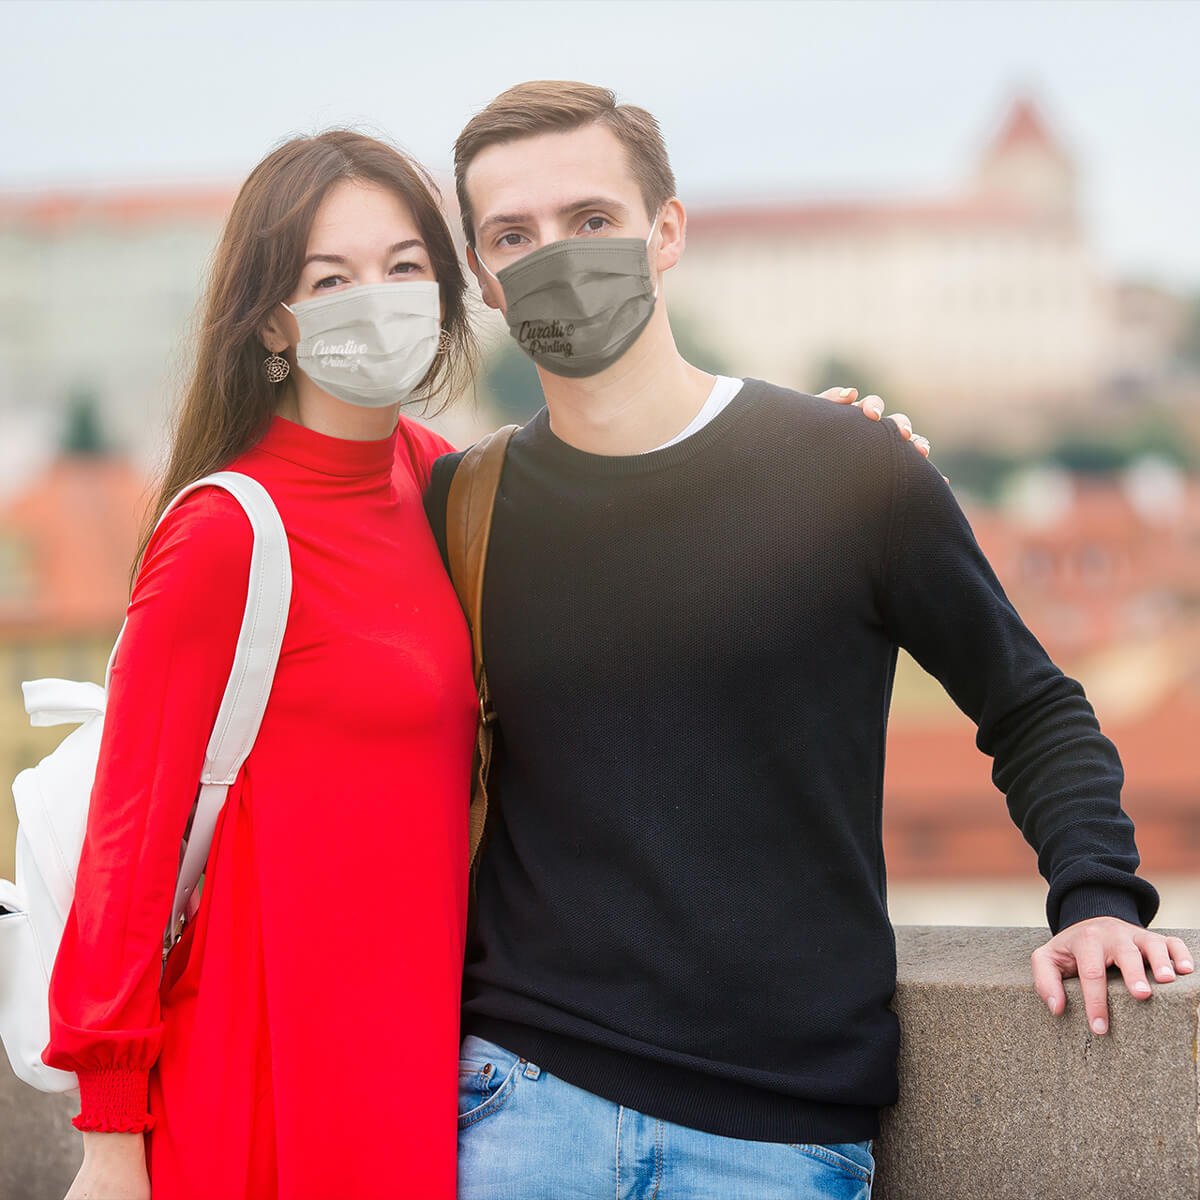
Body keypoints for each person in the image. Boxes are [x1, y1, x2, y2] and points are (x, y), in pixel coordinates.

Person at [425, 81, 1195, 1200]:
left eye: (591, 220)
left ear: (667, 231)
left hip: (773, 1133)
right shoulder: (462, 507)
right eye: (513, 236)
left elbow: (1031, 707)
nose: (555, 255)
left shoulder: (848, 472)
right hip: (521, 1108)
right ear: (486, 279)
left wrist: (1096, 898)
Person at [45, 131, 481, 1200]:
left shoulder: (440, 483)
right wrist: (111, 1142)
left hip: (423, 1070)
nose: (375, 299)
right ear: (276, 319)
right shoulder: (225, 534)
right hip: (261, 1083)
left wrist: (829, 459)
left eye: (404, 266)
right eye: (330, 279)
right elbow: (126, 846)